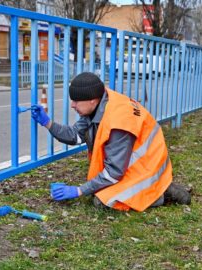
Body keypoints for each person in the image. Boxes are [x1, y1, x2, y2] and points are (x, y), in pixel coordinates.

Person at [31, 72, 191, 211]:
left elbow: (114, 172)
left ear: (92, 100)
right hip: (130, 163)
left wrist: (78, 191)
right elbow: (75, 135)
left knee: (103, 201)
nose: (72, 105)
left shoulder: (118, 122)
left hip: (146, 168)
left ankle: (161, 193)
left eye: (76, 101)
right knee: (100, 192)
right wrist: (48, 123)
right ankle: (157, 188)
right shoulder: (99, 105)